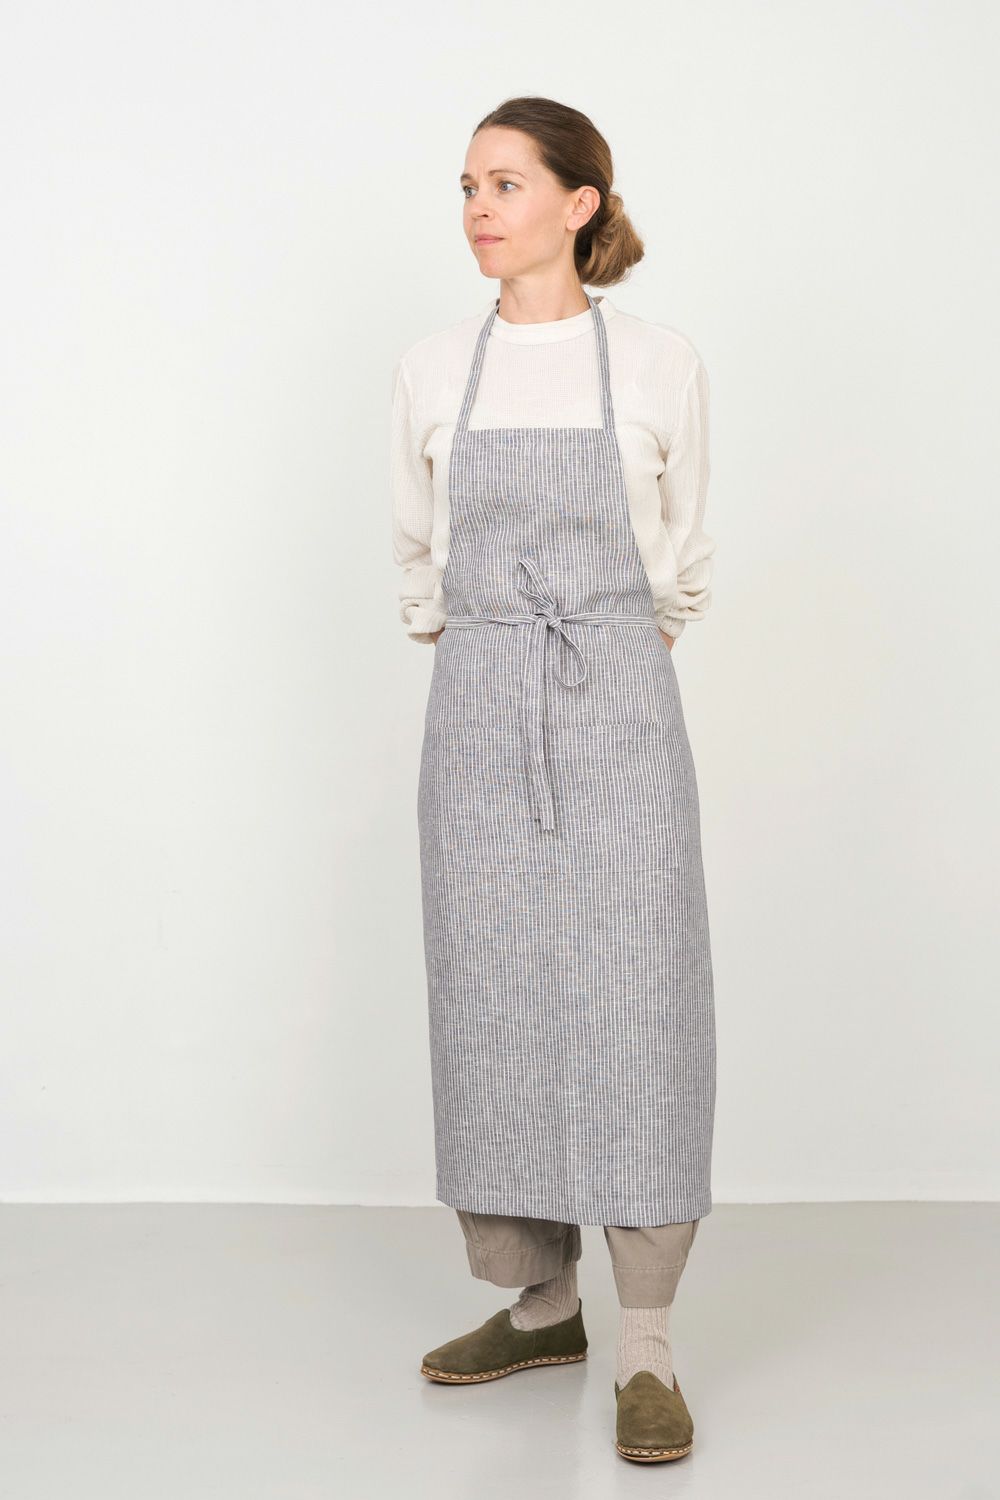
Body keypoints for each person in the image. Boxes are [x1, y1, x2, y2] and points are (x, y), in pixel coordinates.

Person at [389, 95, 717, 1464]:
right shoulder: (429, 369)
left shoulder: (654, 361)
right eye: (468, 185)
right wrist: (483, 650)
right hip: (477, 708)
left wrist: (606, 647)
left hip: (615, 703)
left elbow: (682, 559)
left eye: (507, 183)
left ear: (580, 204)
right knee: (497, 996)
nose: (478, 207)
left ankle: (646, 1346)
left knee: (635, 1001)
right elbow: (418, 553)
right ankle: (541, 1304)